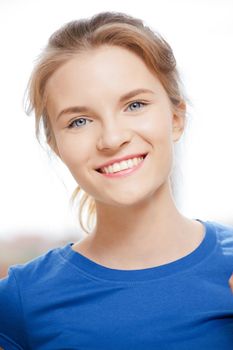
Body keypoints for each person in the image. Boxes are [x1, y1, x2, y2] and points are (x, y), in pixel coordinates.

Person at [0, 11, 233, 350]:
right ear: (56, 146)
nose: (111, 138)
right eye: (79, 121)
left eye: (134, 104)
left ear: (176, 118)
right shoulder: (19, 302)